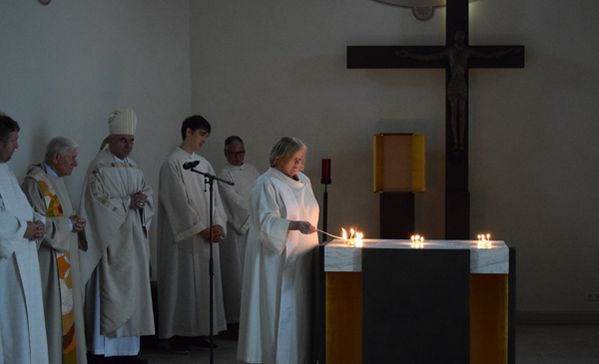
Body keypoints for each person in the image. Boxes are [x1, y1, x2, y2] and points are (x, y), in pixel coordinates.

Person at [79, 108, 154, 364]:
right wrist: (126, 203)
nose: (128, 145)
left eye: (131, 140)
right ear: (110, 139)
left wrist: (144, 202)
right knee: (110, 295)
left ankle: (129, 351)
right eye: (123, 139)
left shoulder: (135, 167)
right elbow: (95, 203)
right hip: (110, 242)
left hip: (133, 241)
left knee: (133, 293)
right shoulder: (98, 166)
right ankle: (103, 351)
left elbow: (147, 195)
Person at [238, 137, 319, 364]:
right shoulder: (266, 183)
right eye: (295, 160)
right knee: (275, 309)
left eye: (302, 160)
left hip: (301, 258)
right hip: (273, 259)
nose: (299, 165)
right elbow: (264, 222)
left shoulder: (304, 181)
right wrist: (294, 225)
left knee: (299, 310)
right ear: (280, 157)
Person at [157, 115, 228, 353]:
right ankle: (178, 334)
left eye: (205, 136)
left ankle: (200, 331)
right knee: (184, 284)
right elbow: (176, 201)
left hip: (207, 236)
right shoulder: (172, 163)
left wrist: (218, 224)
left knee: (205, 284)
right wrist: (200, 228)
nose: (203, 140)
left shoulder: (205, 164)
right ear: (188, 132)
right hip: (186, 238)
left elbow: (215, 198)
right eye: (201, 135)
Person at [22, 137, 88, 364]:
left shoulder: (58, 180)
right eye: (72, 159)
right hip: (49, 267)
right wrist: (68, 225)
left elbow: (63, 220)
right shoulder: (35, 183)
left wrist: (75, 225)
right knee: (52, 318)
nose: (75, 164)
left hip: (65, 265)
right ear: (57, 157)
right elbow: (37, 226)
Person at [0, 113, 49, 364]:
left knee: (25, 328)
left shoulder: (5, 173)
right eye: (13, 141)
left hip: (23, 263)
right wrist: (22, 229)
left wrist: (37, 222)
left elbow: (21, 209)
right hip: (5, 270)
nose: (18, 146)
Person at [217, 136, 259, 337]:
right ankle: (234, 322)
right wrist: (253, 213)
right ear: (226, 154)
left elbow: (261, 194)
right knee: (235, 276)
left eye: (241, 152)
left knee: (251, 275)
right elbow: (232, 201)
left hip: (255, 230)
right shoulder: (223, 173)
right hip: (235, 231)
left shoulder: (252, 171)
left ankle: (251, 321)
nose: (237, 156)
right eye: (233, 153)